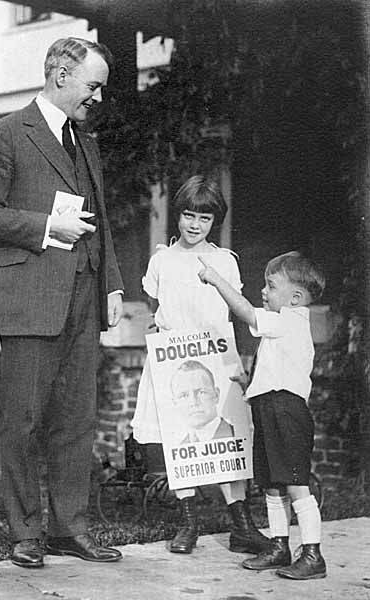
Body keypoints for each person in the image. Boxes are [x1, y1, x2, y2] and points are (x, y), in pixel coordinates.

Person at [0, 37, 124, 568]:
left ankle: (69, 529)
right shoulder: (4, 135)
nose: (98, 98)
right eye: (92, 86)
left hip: (83, 296)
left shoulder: (86, 142)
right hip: (29, 295)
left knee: (77, 420)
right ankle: (26, 531)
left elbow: (100, 221)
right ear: (60, 74)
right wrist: (44, 227)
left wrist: (112, 284)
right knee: (25, 420)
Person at [131, 175, 269, 555]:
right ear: (178, 215)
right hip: (175, 361)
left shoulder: (224, 261)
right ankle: (188, 522)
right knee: (180, 438)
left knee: (228, 438)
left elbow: (235, 313)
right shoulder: (162, 259)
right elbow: (156, 306)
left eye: (204, 219)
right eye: (189, 215)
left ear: (214, 222)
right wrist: (158, 327)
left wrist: (238, 364)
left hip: (217, 358)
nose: (194, 225)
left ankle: (241, 524)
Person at [198, 251, 327, 580]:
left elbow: (244, 311)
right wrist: (249, 382)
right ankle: (279, 545)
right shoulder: (281, 326)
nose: (263, 292)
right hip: (269, 407)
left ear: (295, 297)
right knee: (271, 484)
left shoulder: (290, 319)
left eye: (271, 286)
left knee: (296, 484)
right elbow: (275, 372)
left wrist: (216, 280)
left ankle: (312, 553)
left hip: (287, 412)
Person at [170, 360, 235, 444]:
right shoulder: (179, 449)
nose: (193, 402)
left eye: (201, 392)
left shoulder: (237, 434)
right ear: (175, 403)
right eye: (184, 396)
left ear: (216, 395)